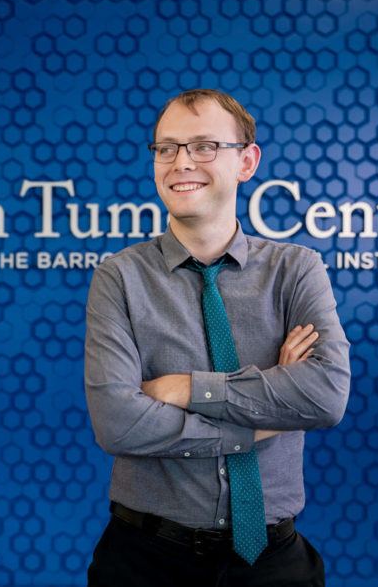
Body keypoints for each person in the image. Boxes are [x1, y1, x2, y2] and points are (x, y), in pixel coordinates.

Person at [84, 89, 351, 586]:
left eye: (204, 145)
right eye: (167, 148)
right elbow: (118, 424)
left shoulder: (296, 271)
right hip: (144, 562)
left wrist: (188, 389)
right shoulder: (118, 278)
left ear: (247, 161)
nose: (181, 161)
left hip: (273, 565)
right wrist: (266, 412)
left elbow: (326, 396)